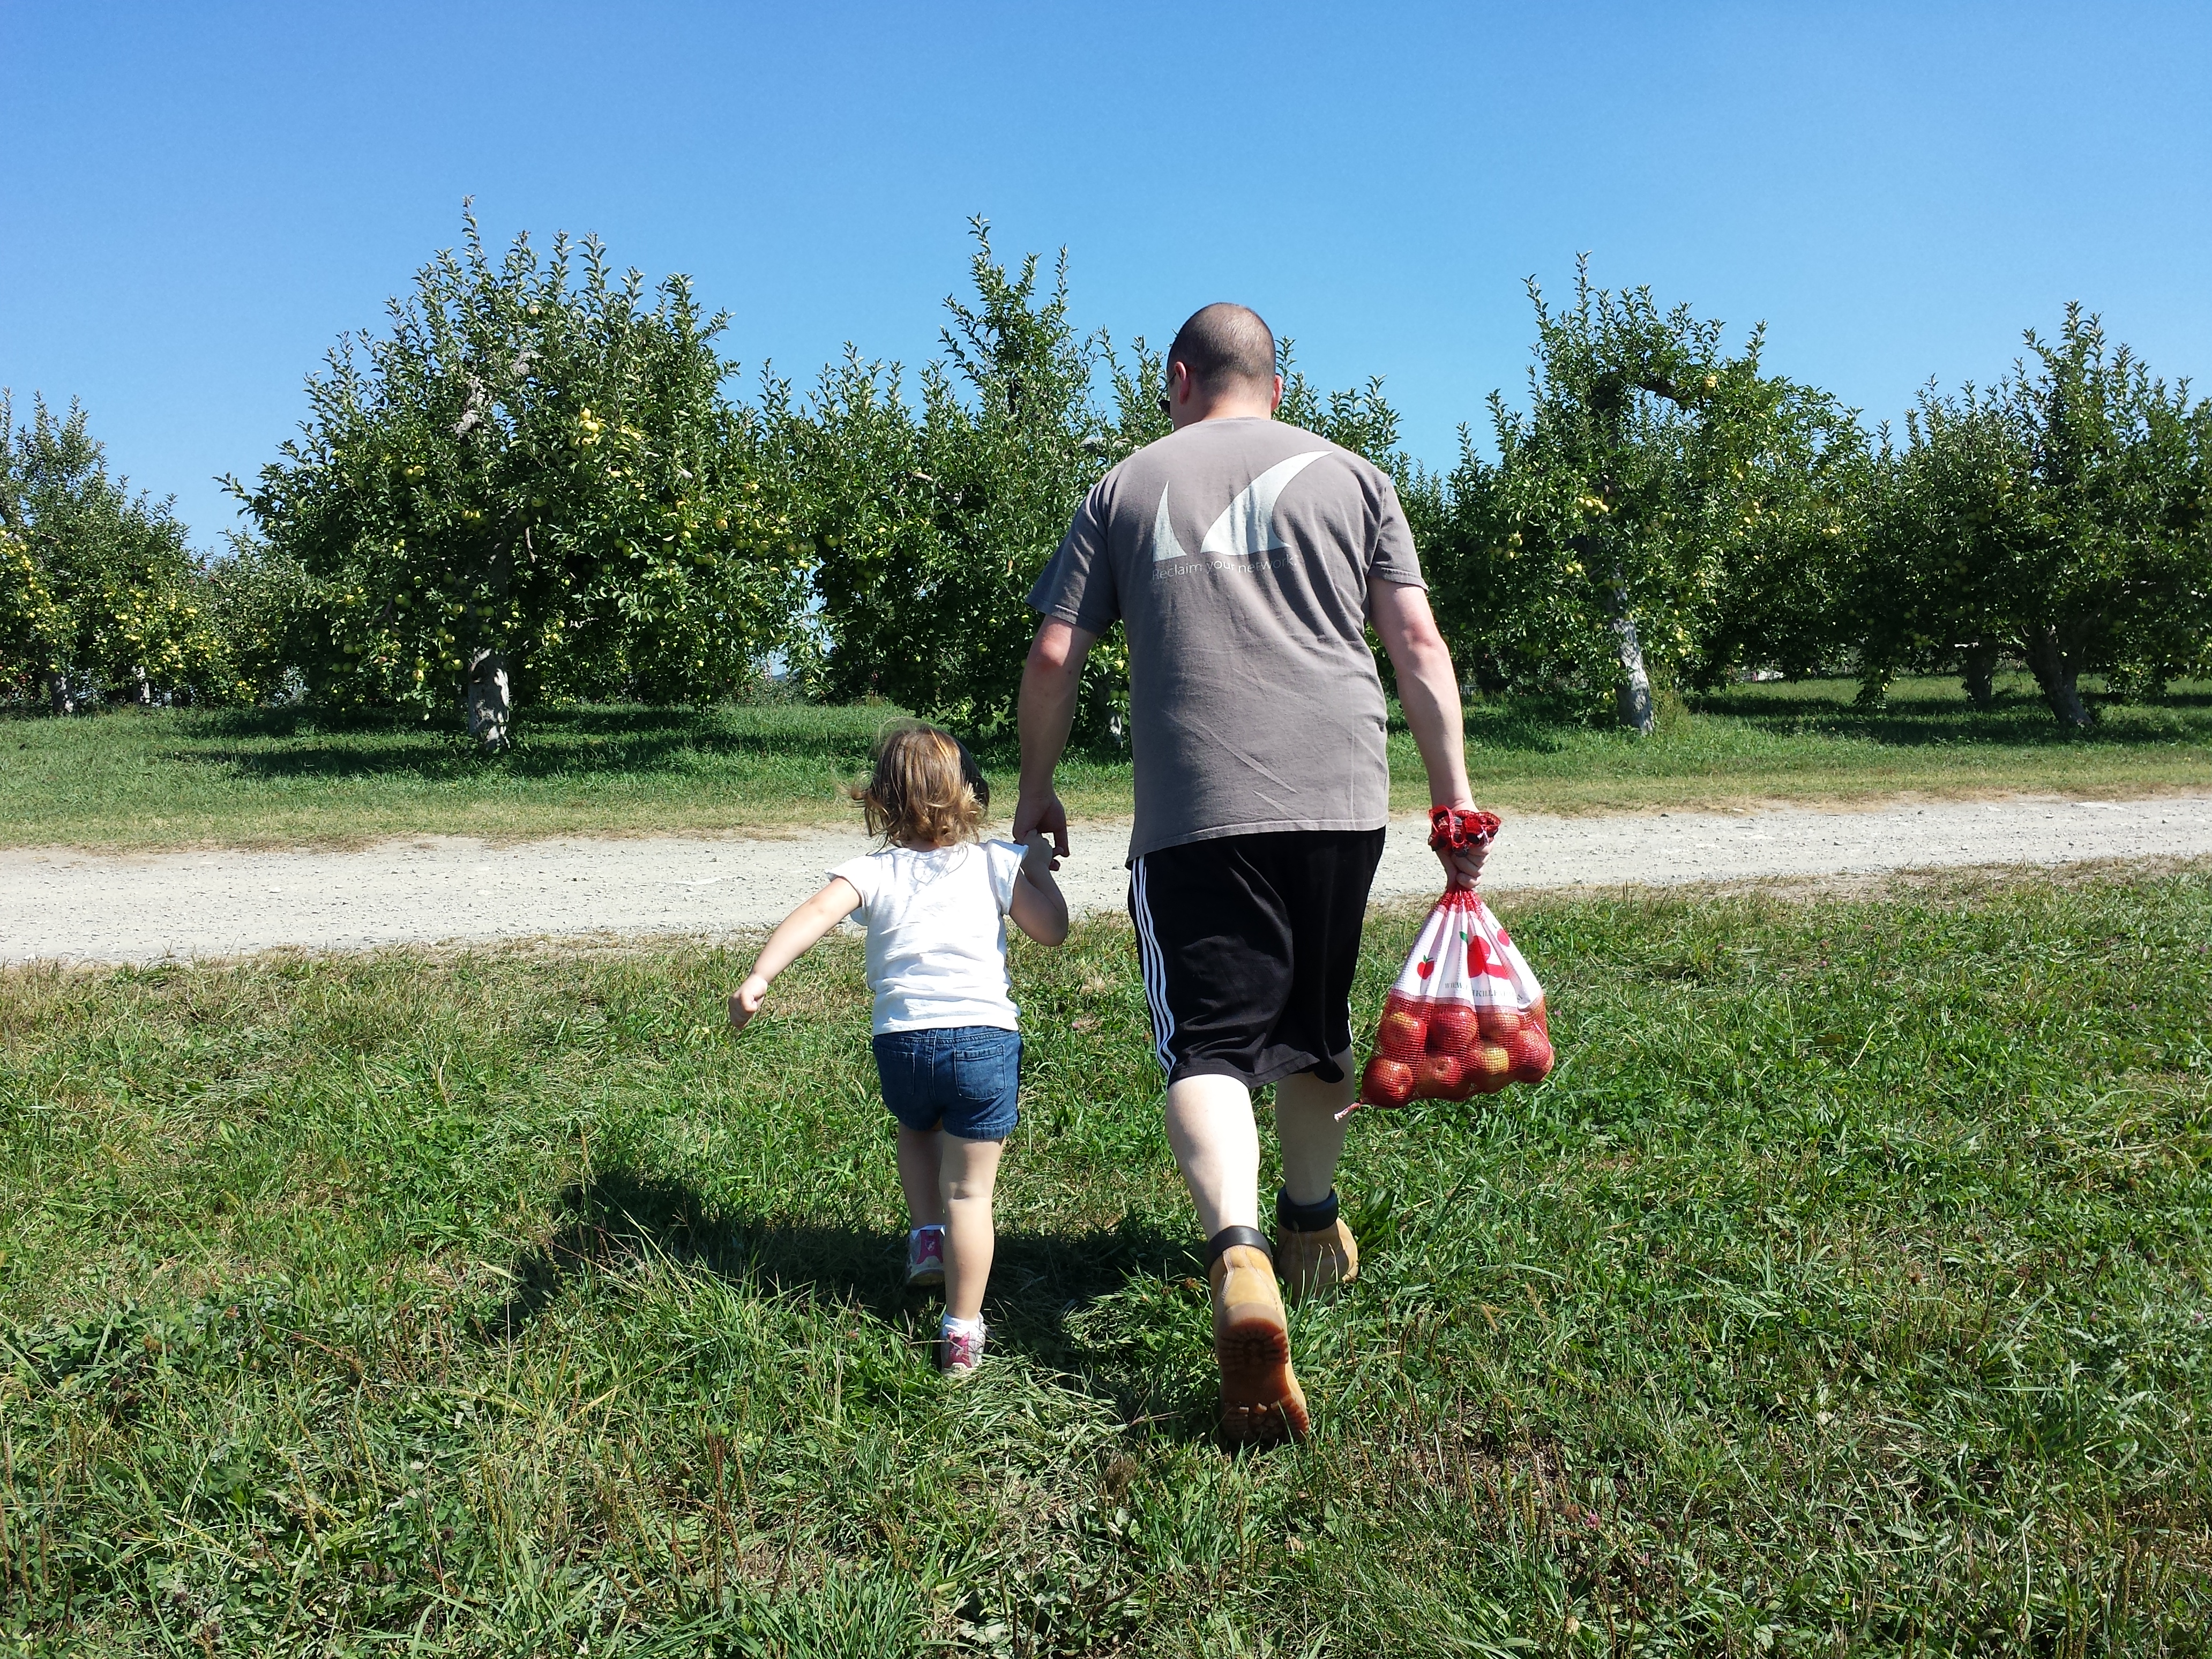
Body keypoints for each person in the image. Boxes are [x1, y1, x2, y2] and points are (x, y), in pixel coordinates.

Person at [1014, 303, 1488, 1445]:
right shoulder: (1357, 477)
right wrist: (1453, 793)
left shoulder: (1124, 487)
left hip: (1199, 810)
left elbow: (1053, 653)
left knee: (1211, 1043)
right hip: (1340, 795)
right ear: (1277, 383)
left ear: (1179, 378)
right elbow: (1416, 645)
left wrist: (1036, 790)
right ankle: (1313, 1221)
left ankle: (1240, 1254)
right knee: (1315, 1019)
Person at [729, 720, 1070, 1373]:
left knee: (916, 1128)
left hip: (904, 1044)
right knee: (972, 1193)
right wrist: (1037, 873)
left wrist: (759, 977)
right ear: (971, 793)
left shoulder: (871, 871)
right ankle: (963, 1329)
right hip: (983, 1043)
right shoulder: (996, 862)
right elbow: (1052, 932)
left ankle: (925, 1240)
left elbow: (812, 917)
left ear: (879, 802)